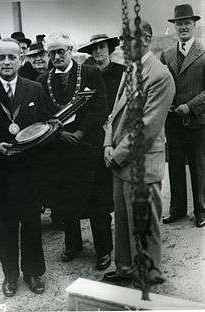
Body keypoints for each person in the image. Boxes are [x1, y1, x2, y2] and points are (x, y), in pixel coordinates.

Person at [102, 20, 175, 285]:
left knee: (144, 227)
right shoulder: (129, 69)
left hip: (140, 162)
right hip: (121, 161)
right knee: (122, 223)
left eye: (126, 39)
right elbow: (114, 114)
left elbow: (146, 128)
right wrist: (108, 145)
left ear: (145, 39)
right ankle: (125, 270)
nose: (122, 44)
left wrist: (116, 154)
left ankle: (146, 281)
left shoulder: (159, 75)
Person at [37, 32, 113, 270]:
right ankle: (73, 245)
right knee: (64, 200)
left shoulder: (90, 73)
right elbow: (41, 115)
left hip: (88, 147)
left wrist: (80, 133)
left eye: (61, 51)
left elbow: (100, 107)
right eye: (52, 53)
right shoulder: (42, 80)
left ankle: (103, 249)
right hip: (59, 150)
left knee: (97, 202)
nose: (57, 56)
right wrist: (58, 134)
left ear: (70, 50)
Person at [0, 38, 48, 297]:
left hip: (28, 170)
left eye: (12, 57)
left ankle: (33, 272)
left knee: (32, 222)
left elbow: (48, 122)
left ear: (21, 59)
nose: (7, 62)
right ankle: (11, 275)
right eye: (2, 57)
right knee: (3, 225)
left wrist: (37, 139)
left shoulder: (34, 89)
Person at [78, 34, 125, 246]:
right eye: (95, 48)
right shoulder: (86, 75)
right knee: (99, 193)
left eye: (102, 47)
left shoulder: (121, 72)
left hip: (119, 133)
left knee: (122, 188)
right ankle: (104, 243)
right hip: (95, 137)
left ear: (110, 49)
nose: (99, 51)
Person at [161, 4, 205, 228]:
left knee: (198, 167)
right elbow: (160, 86)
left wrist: (190, 106)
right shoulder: (166, 55)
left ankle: (201, 211)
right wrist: (167, 107)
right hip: (173, 122)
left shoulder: (204, 53)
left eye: (187, 23)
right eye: (179, 23)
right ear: (174, 27)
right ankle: (177, 209)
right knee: (175, 165)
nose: (183, 27)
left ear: (194, 25)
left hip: (197, 121)